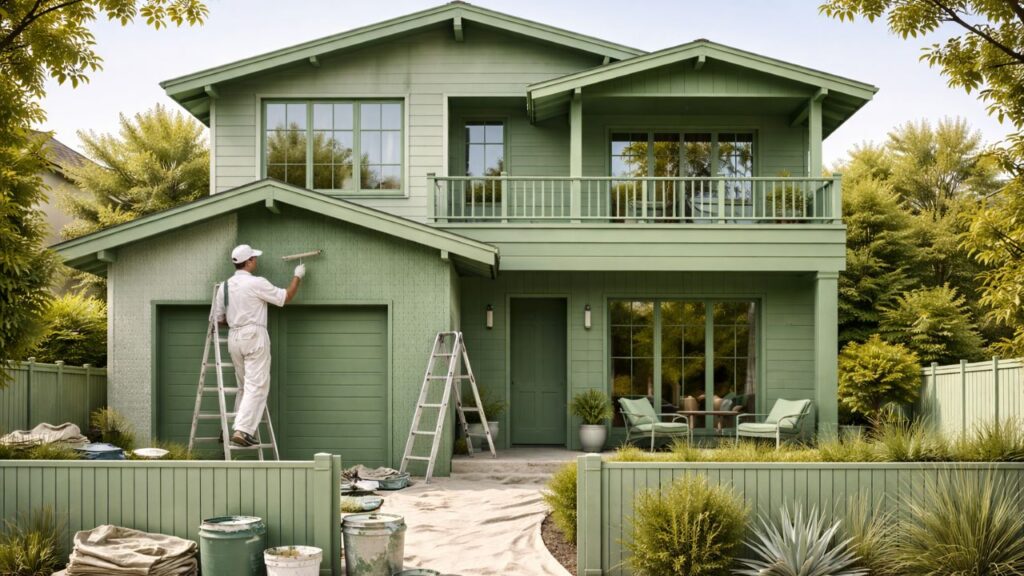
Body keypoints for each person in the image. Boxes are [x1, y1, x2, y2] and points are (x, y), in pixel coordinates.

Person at [211, 244, 305, 447]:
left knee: (245, 387)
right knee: (257, 385)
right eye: (254, 257)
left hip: (234, 338)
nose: (257, 260)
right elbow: (285, 297)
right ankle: (243, 431)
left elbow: (218, 319)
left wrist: (238, 319)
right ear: (249, 261)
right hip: (254, 335)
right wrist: (298, 276)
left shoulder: (224, 287)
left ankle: (231, 428)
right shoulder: (256, 283)